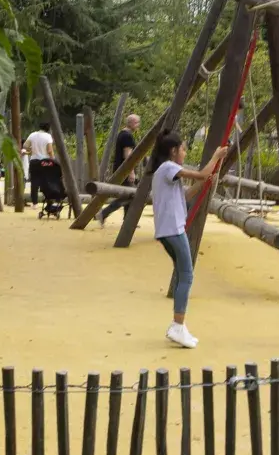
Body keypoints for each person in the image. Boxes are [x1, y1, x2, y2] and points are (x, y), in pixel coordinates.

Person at [149, 133, 227, 348]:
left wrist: (205, 183)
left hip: (167, 230)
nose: (185, 152)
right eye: (183, 149)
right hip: (173, 230)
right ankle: (177, 325)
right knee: (187, 275)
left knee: (184, 274)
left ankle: (179, 326)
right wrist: (215, 156)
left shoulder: (165, 174)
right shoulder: (168, 167)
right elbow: (201, 173)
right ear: (173, 151)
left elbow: (185, 196)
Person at [97, 113, 142, 225]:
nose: (138, 125)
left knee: (129, 195)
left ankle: (127, 220)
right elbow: (128, 156)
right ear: (131, 123)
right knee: (129, 195)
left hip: (120, 169)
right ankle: (104, 213)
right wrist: (131, 172)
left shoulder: (121, 134)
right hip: (125, 171)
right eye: (137, 122)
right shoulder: (127, 136)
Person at [24, 124, 54, 204]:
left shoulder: (32, 134)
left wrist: (32, 149)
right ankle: (49, 201)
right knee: (46, 181)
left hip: (34, 161)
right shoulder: (48, 136)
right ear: (48, 129)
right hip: (44, 162)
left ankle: (34, 203)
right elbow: (50, 150)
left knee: (34, 182)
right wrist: (53, 160)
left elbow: (25, 145)